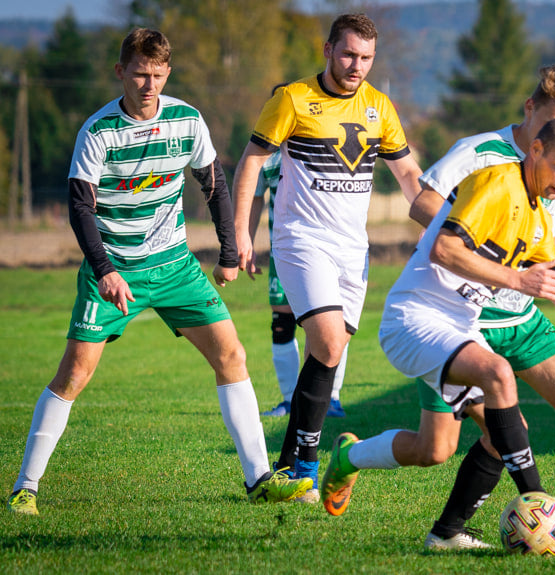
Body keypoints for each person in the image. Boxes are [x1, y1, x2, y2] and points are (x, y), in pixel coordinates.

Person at [320, 119, 555, 546]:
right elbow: (444, 248)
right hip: (415, 321)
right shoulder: (494, 183)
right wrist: (517, 280)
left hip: (458, 329)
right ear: (536, 149)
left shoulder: (539, 216)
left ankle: (439, 529)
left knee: (467, 440)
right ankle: (540, 508)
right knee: (499, 376)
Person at [5, 29, 311, 516]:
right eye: (140, 74)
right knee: (74, 374)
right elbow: (80, 207)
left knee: (231, 354)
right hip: (114, 271)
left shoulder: (187, 120)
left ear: (168, 73)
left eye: (158, 75)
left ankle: (258, 480)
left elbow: (214, 185)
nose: (149, 84)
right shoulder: (98, 131)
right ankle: (26, 487)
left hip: (175, 266)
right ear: (121, 72)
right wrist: (104, 270)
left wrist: (228, 253)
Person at [411, 63, 555, 549]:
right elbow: (422, 205)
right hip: (467, 316)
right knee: (443, 447)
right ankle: (454, 527)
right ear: (530, 112)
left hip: (523, 315)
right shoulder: (480, 153)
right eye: (552, 124)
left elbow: (543, 243)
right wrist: (476, 234)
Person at [232, 13, 424, 503]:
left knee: (324, 354)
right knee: (329, 344)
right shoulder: (292, 99)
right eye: (348, 54)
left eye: (366, 58)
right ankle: (308, 471)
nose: (356, 65)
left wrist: (445, 224)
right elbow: (252, 162)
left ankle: (286, 466)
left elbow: (408, 178)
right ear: (327, 49)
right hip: (301, 241)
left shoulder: (380, 107)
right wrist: (239, 235)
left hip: (351, 250)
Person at [247, 151, 348, 419]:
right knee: (282, 319)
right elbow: (255, 196)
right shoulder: (266, 153)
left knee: (333, 322)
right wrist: (245, 241)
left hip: (330, 253)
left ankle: (331, 398)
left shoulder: (325, 144)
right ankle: (291, 399)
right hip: (285, 251)